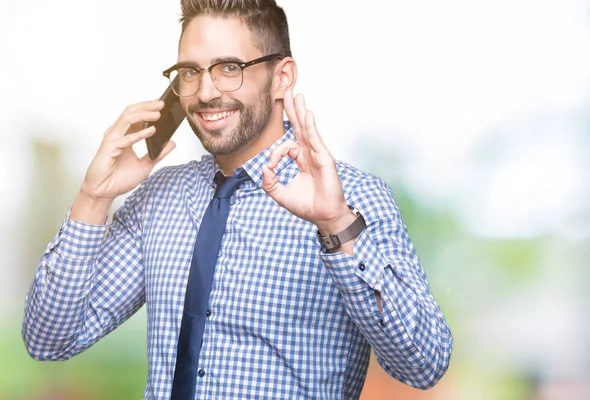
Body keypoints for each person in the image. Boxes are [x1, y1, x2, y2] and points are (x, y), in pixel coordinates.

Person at [22, 0, 453, 398]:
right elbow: (48, 339)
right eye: (190, 72)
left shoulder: (353, 198)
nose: (206, 92)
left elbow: (425, 364)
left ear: (282, 76)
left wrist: (337, 226)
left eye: (229, 67)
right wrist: (93, 197)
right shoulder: (159, 200)